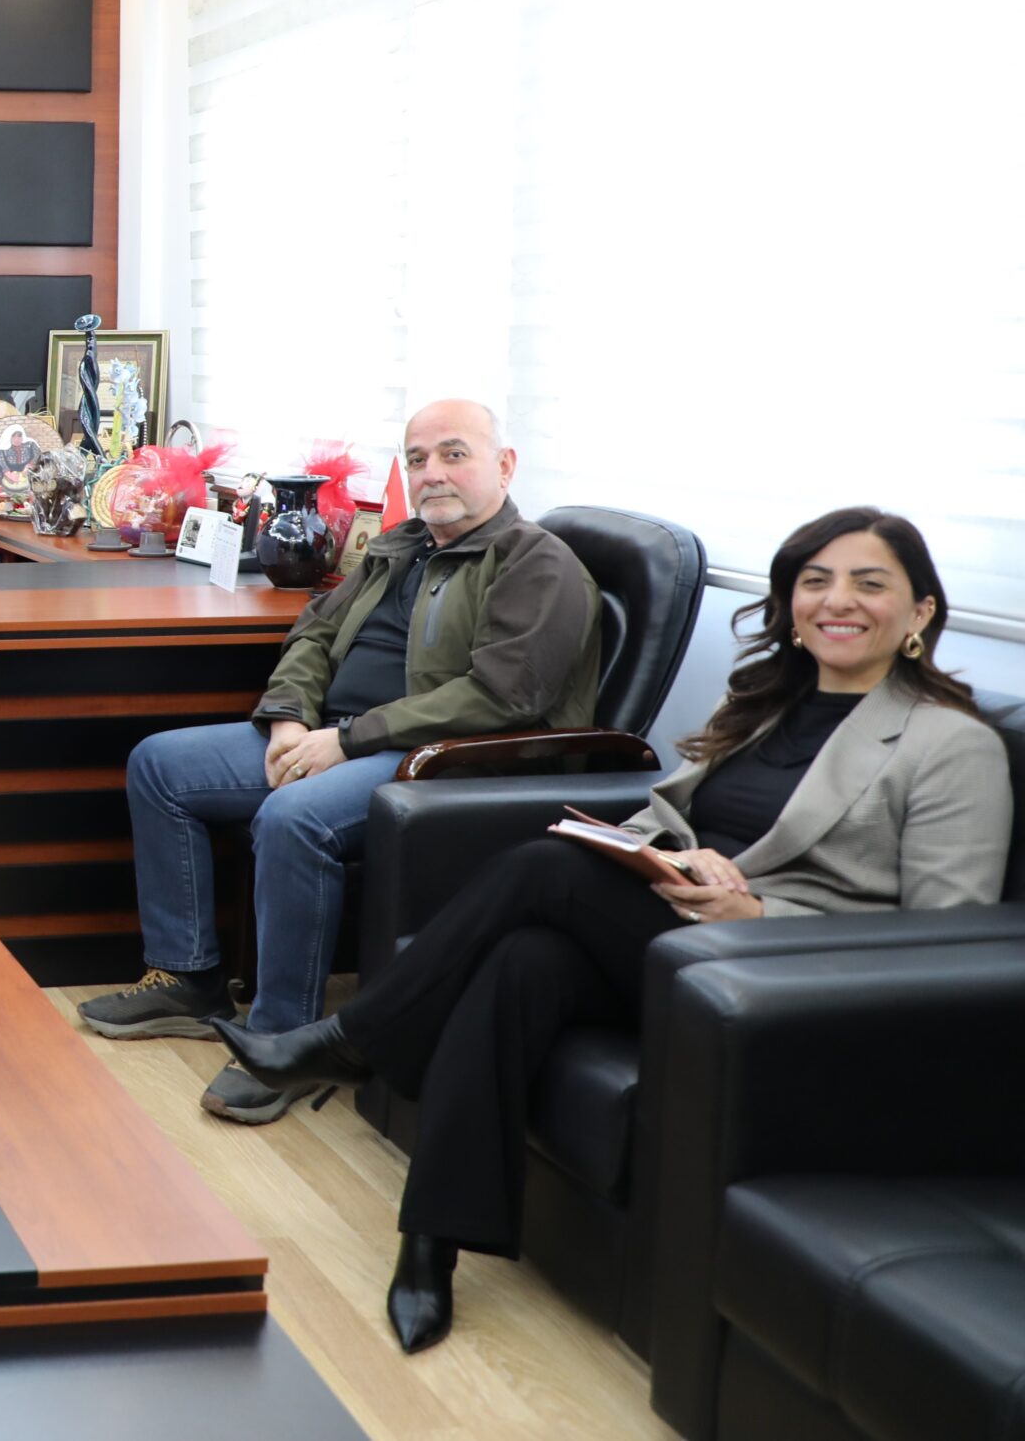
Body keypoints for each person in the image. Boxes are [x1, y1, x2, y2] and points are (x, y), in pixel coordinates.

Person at [211, 507, 1012, 1353]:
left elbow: (946, 944)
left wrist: (759, 915)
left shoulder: (950, 744)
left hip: (782, 982)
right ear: (790, 603)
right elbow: (666, 815)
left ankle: (352, 1042)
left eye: (869, 583)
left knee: (543, 869)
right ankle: (429, 1249)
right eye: (816, 581)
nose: (837, 600)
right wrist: (655, 858)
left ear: (921, 610)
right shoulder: (763, 701)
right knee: (521, 962)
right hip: (677, 936)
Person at [80, 400, 604, 1126]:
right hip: (332, 734)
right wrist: (289, 716)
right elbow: (313, 633)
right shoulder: (399, 546)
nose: (432, 472)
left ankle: (283, 1038)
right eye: (417, 459)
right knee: (161, 766)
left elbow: (502, 696)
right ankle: (189, 978)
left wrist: (348, 740)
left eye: (454, 454)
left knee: (293, 817)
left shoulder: (537, 563)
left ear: (505, 465)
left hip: (436, 760)